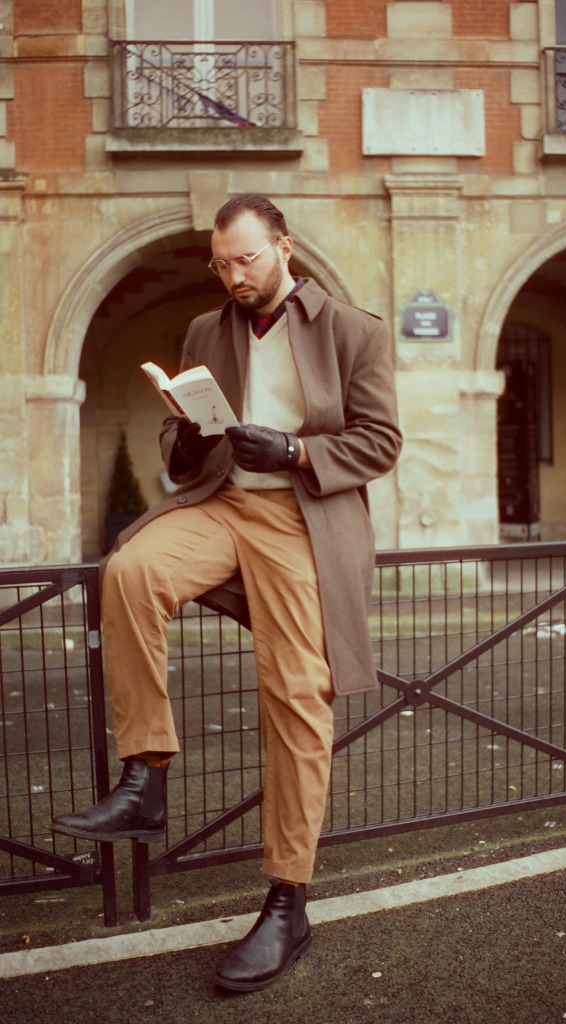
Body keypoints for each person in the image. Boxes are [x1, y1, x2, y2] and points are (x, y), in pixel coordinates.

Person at [51, 193, 402, 991]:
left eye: (245, 259)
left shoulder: (356, 331)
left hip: (300, 521)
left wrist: (294, 448)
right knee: (128, 570)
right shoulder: (206, 330)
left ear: (284, 247)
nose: (232, 275)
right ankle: (145, 778)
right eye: (220, 263)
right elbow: (176, 446)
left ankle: (287, 901)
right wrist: (192, 431)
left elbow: (380, 441)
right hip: (219, 504)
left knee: (296, 695)